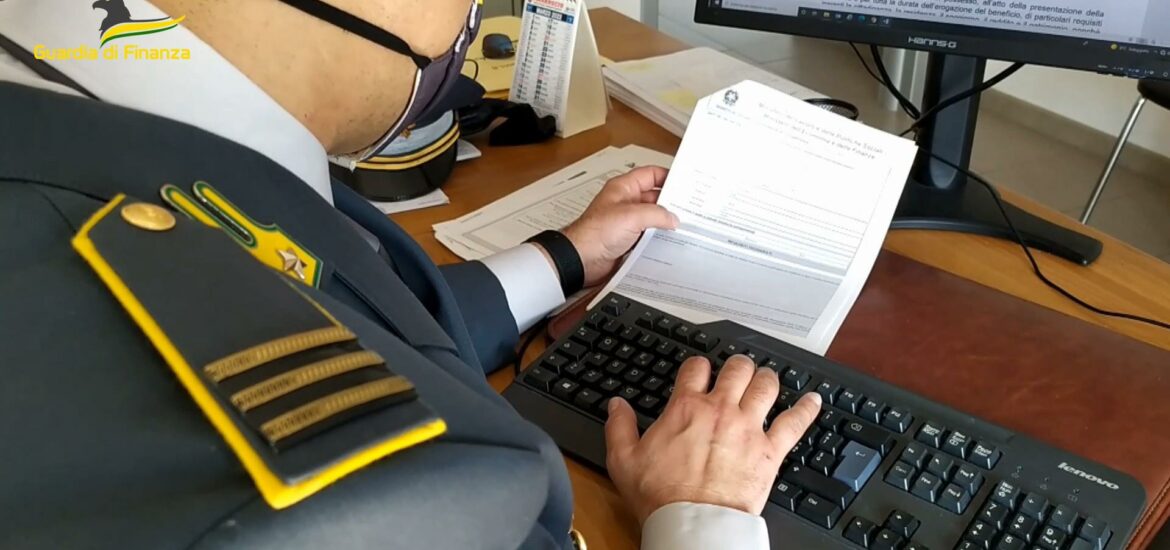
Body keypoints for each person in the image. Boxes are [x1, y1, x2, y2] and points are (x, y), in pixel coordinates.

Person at [0, 0, 821, 548]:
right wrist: (704, 522)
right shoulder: (384, 496)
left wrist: (566, 258)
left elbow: (328, 309)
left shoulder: (83, 119)